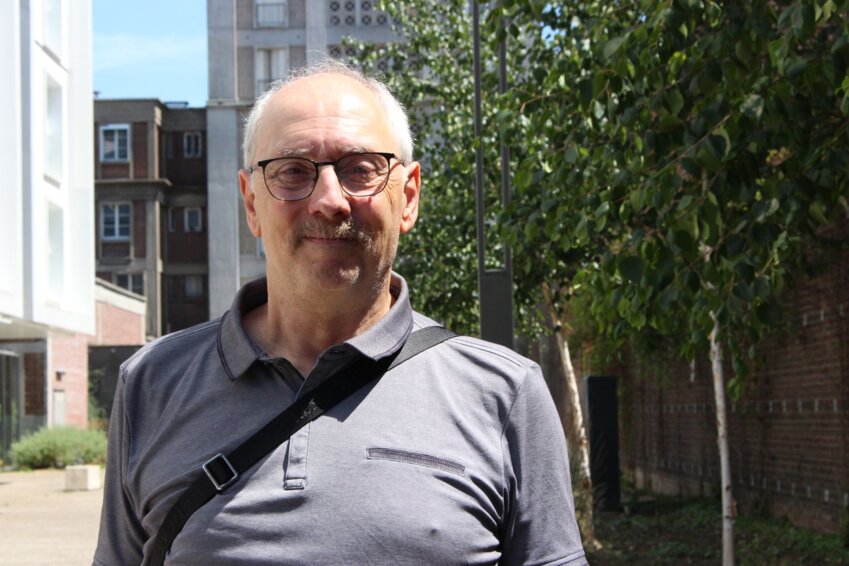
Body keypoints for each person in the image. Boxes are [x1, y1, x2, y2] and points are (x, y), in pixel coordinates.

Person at [93, 61, 587, 566]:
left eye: (361, 169)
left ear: (409, 198)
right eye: (292, 171)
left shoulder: (504, 394)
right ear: (251, 204)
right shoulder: (152, 384)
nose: (331, 201)